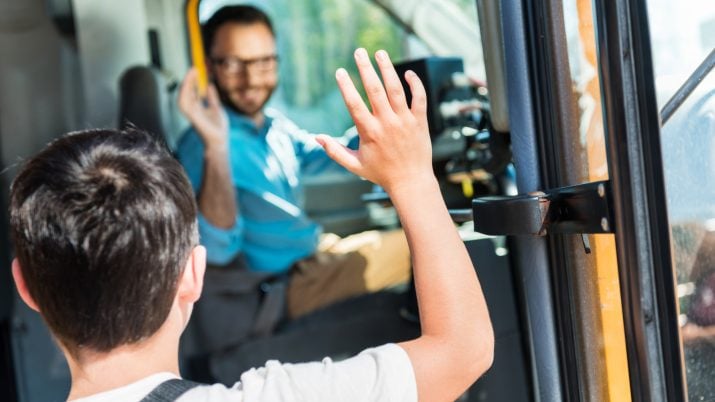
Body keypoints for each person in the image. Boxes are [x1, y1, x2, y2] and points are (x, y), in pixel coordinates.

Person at [10, 48, 494, 401]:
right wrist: (412, 175)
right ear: (193, 275)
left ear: (26, 287)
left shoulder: (278, 132)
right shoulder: (278, 394)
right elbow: (464, 351)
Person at [176, 4, 412, 319]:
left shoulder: (273, 127)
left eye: (263, 62)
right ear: (209, 67)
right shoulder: (203, 144)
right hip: (281, 286)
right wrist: (216, 147)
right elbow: (216, 251)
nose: (251, 79)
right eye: (233, 64)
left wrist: (388, 126)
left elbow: (330, 154)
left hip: (316, 254)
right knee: (432, 248)